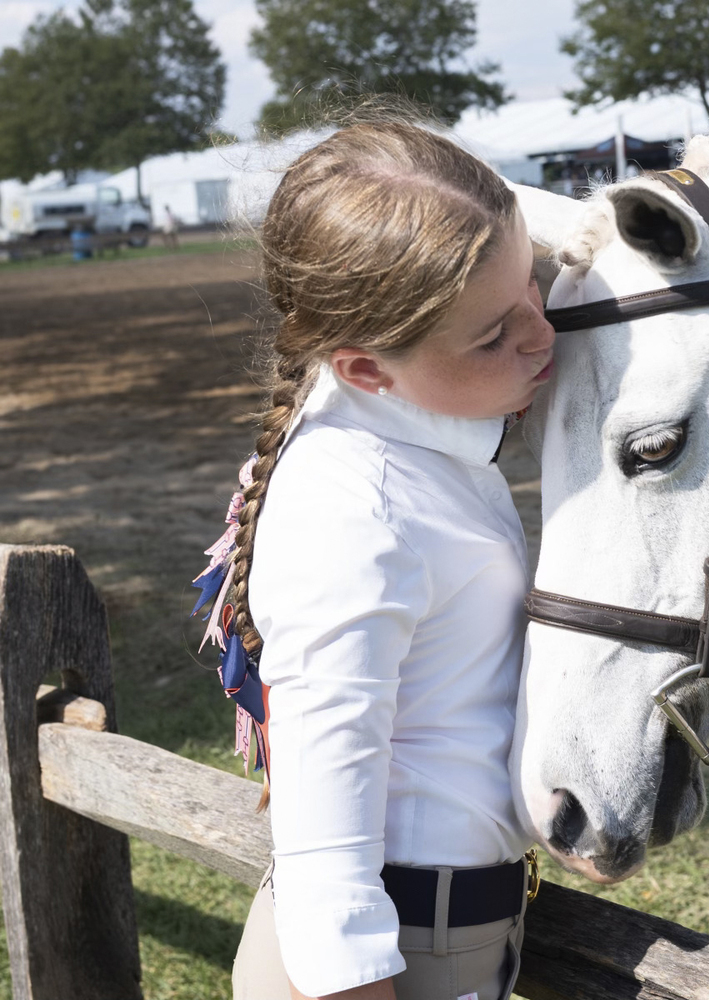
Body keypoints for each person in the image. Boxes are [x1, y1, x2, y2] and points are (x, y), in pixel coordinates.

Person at [213, 120, 554, 1000]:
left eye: (535, 290)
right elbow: (326, 843)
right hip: (401, 950)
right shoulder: (358, 516)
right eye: (492, 337)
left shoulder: (372, 422)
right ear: (366, 368)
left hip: (440, 916)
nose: (541, 335)